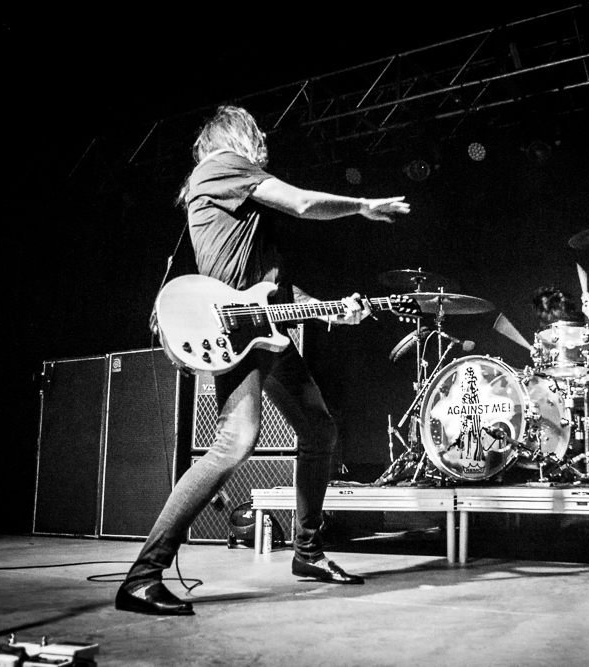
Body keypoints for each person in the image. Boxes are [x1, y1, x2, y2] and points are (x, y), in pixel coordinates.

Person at [116, 106, 409, 616]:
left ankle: (308, 552)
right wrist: (362, 205)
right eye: (257, 134)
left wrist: (332, 310)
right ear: (236, 137)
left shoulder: (235, 195)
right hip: (235, 328)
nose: (263, 141)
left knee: (318, 428)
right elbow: (301, 202)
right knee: (235, 440)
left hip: (263, 329)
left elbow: (275, 292)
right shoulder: (223, 165)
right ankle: (142, 577)